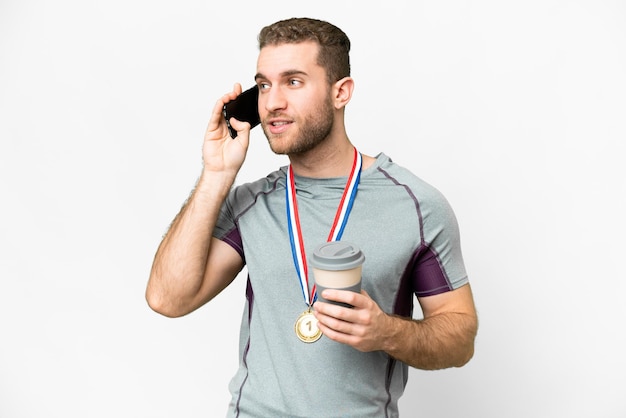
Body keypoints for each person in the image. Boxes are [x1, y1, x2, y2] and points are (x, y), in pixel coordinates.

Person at [146, 17, 478, 418]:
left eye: (294, 81)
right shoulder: (251, 203)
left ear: (341, 93)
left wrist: (387, 332)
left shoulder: (416, 205)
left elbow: (459, 339)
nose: (272, 102)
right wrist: (216, 174)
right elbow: (167, 299)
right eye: (264, 84)